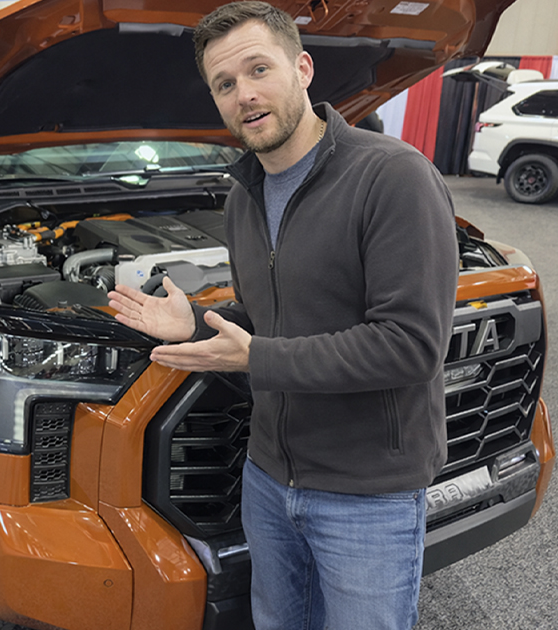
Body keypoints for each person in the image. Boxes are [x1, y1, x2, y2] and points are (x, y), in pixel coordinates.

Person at [107, 2, 459, 629]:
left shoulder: (393, 177)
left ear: (303, 68)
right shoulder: (243, 195)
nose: (244, 94)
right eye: (225, 84)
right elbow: (272, 315)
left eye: (258, 69)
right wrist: (195, 323)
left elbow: (409, 345)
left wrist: (254, 358)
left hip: (366, 492)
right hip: (268, 480)